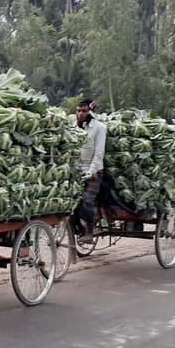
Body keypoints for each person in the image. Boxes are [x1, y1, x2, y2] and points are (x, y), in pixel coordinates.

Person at [71, 98, 106, 244]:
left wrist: (91, 171)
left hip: (94, 172)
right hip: (76, 170)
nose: (80, 114)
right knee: (70, 203)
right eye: (78, 111)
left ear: (90, 111)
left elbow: (99, 152)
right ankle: (77, 228)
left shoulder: (99, 128)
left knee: (87, 201)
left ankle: (90, 232)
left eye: (84, 111)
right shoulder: (72, 126)